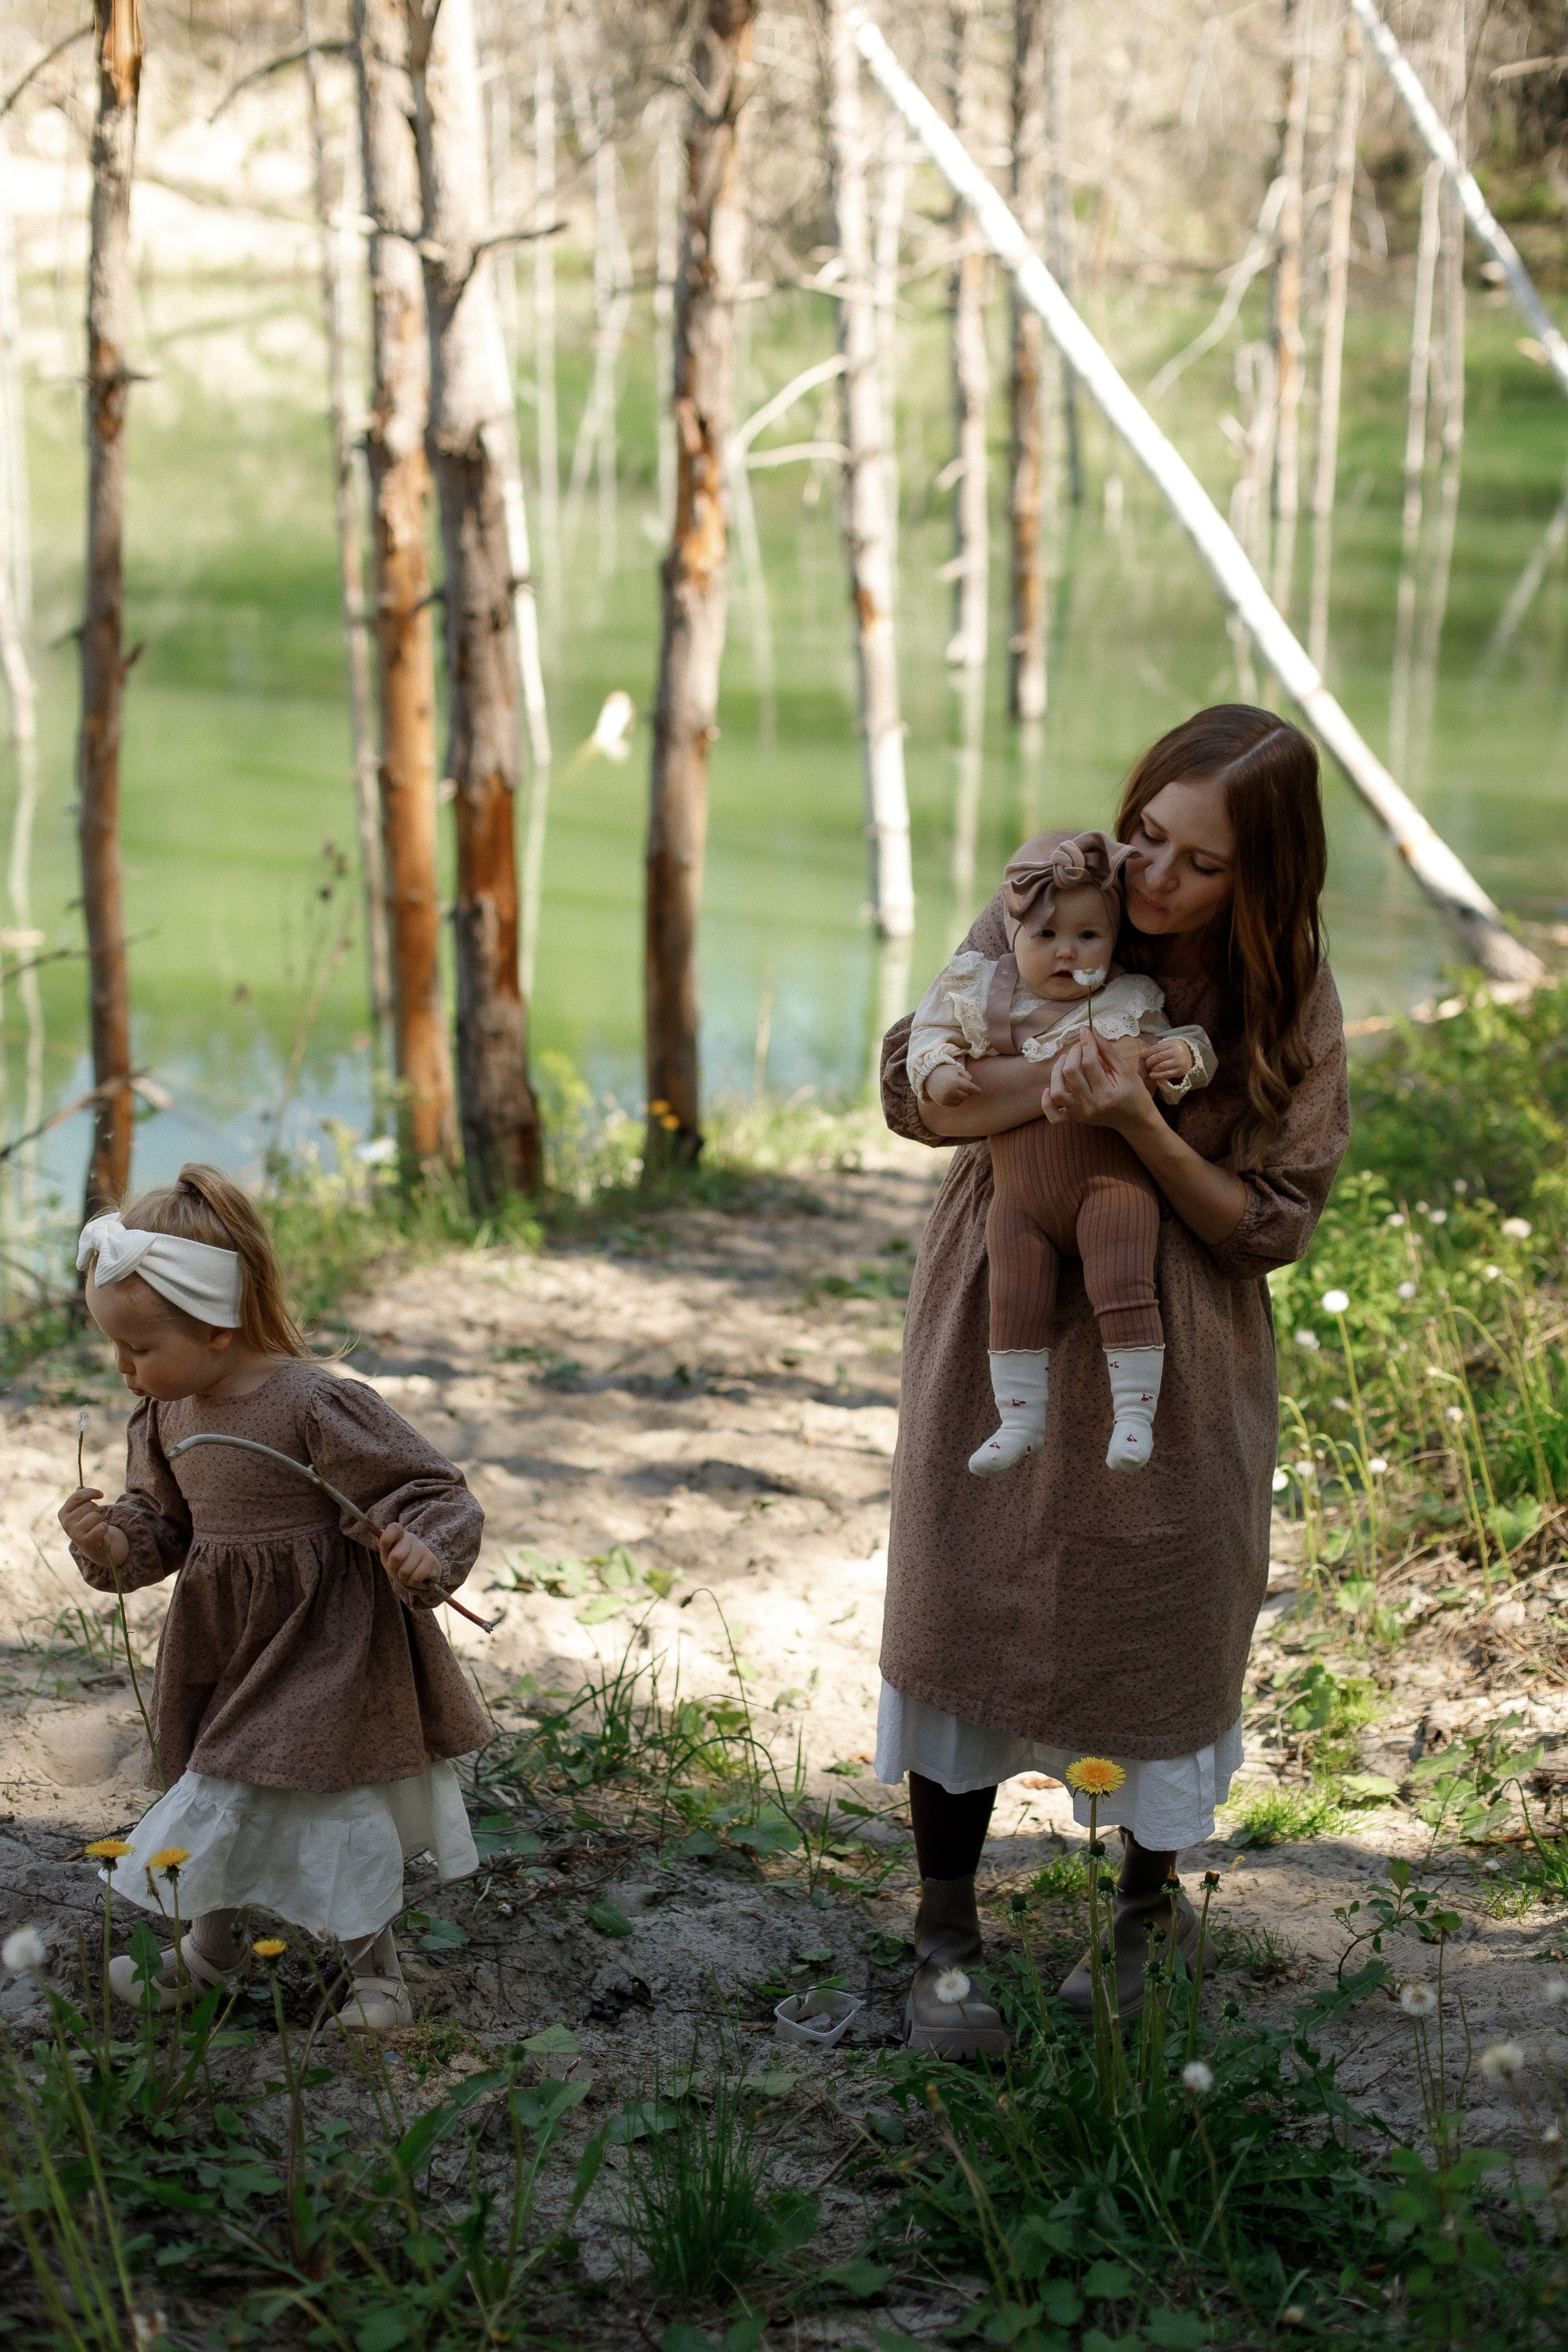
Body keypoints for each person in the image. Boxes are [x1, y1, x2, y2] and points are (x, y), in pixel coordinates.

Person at [876, 707, 1349, 2056]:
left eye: (1196, 865)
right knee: (965, 1581)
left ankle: (1146, 1913)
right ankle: (945, 1935)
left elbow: (1263, 1223)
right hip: (1003, 1293)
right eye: (1146, 833)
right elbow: (925, 1096)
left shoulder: (1286, 996)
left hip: (1175, 1323)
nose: (1149, 879)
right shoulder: (1055, 891)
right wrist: (1055, 1083)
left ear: (1261, 879)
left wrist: (1138, 1113)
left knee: (1158, 1593)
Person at [59, 1164, 490, 2034]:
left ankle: (379, 1981)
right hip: (227, 1645)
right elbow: (164, 1525)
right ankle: (214, 1954)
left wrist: (419, 1546)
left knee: (334, 1802)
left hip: (325, 1642)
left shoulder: (314, 1404)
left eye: (140, 1348)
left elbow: (432, 1492)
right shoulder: (166, 1416)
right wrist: (111, 1541)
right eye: (117, 1347)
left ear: (218, 1326)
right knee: (224, 1790)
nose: (125, 1369)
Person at [907, 828, 1216, 1476]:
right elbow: (924, 1039)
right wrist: (936, 1071)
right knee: (1013, 1296)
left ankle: (1133, 1413)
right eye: (1045, 937)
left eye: (1087, 937)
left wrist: (1182, 1056)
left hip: (1109, 1185)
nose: (1066, 952)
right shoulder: (980, 992)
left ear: (1113, 942)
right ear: (1011, 937)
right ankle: (1017, 1418)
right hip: (1018, 1203)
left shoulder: (1126, 1001)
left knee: (1123, 1282)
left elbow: (1189, 1045)